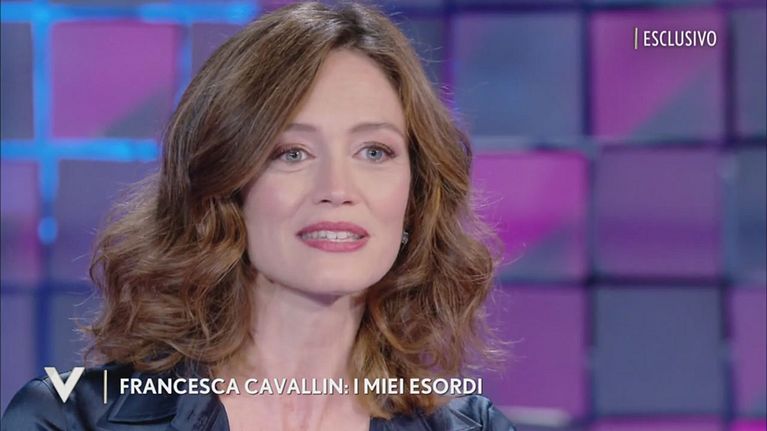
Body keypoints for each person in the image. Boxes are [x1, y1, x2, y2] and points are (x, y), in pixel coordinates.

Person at [2, 2, 515, 430]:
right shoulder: (69, 419)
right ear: (225, 186)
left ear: (415, 193)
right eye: (291, 153)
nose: (337, 190)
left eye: (374, 151)